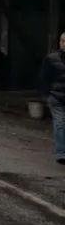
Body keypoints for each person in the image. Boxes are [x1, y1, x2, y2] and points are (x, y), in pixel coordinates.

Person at [38, 31, 65, 165]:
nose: (64, 44)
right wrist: (46, 96)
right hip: (56, 97)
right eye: (62, 41)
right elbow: (44, 78)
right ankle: (61, 153)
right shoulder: (51, 59)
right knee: (60, 124)